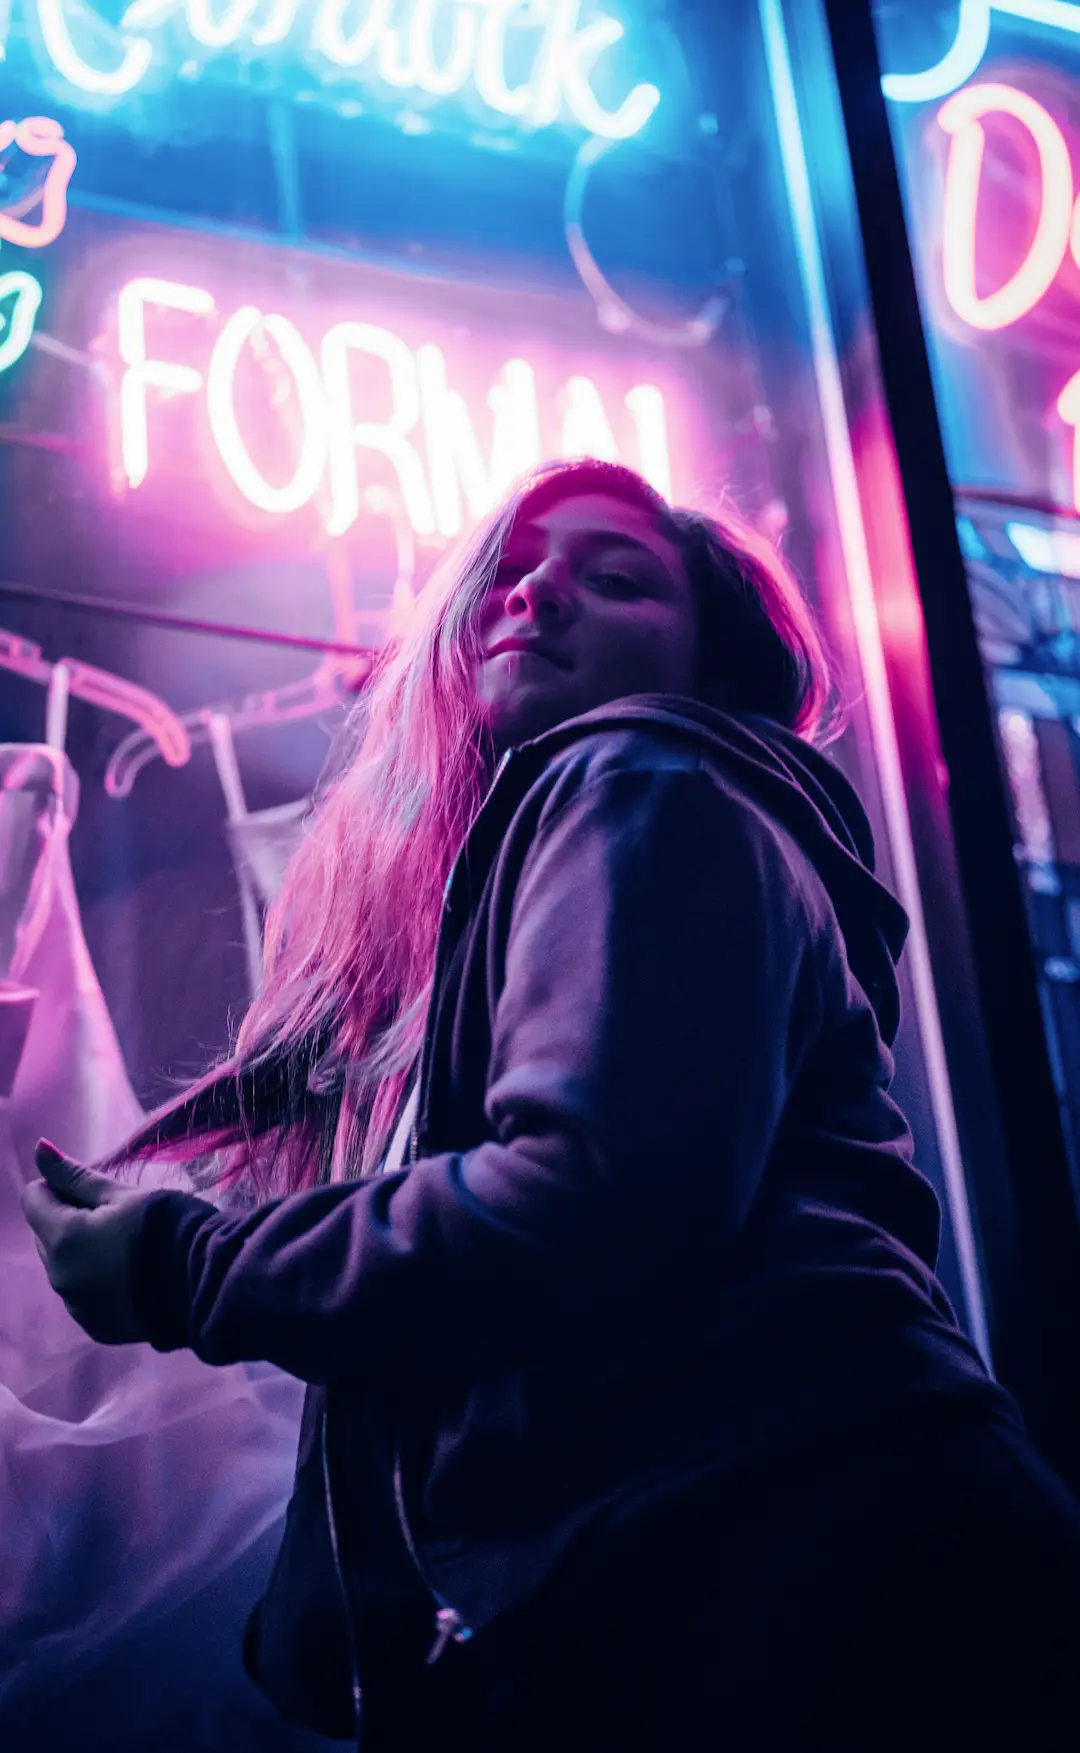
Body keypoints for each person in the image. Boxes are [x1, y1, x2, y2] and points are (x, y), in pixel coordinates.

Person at [22, 458, 1080, 1752]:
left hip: (802, 1572)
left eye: (617, 577)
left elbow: (589, 1200)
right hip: (806, 1562)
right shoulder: (587, 842)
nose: (540, 593)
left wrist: (188, 1266)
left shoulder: (642, 774)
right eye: (516, 571)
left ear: (712, 668)